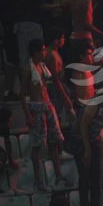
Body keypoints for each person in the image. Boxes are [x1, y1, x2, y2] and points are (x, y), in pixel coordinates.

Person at [22, 38, 68, 191]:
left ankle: (58, 175)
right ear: (35, 52)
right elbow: (23, 94)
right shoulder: (28, 69)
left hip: (48, 105)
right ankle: (38, 180)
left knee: (53, 141)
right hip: (36, 107)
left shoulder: (43, 66)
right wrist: (28, 114)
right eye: (41, 50)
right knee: (37, 144)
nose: (44, 52)